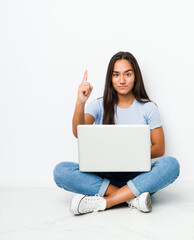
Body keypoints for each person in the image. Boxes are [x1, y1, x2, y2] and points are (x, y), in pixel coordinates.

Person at [53, 51, 180, 215]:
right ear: (110, 78)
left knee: (171, 165)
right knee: (60, 171)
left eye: (128, 74)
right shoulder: (98, 105)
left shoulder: (148, 108)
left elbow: (159, 148)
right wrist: (80, 103)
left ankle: (107, 201)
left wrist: (126, 154)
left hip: (137, 176)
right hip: (104, 176)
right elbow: (78, 132)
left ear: (135, 77)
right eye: (116, 75)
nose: (122, 80)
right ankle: (131, 197)